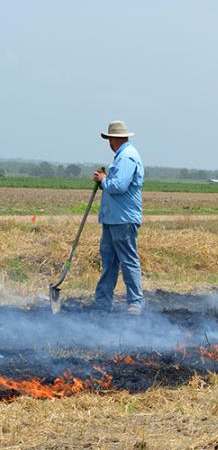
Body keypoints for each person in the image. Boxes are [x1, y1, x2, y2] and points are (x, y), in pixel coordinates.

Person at [92, 120, 145, 314]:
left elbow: (120, 186)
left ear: (113, 139)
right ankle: (103, 302)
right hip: (112, 218)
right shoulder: (121, 157)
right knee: (109, 261)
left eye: (109, 139)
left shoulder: (127, 157)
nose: (109, 142)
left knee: (128, 260)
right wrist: (104, 182)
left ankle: (135, 303)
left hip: (123, 219)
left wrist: (104, 180)